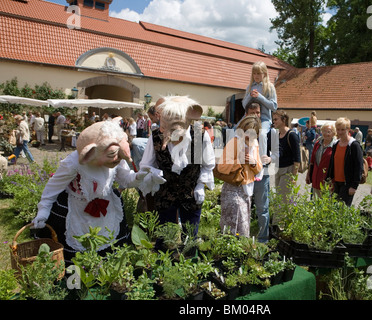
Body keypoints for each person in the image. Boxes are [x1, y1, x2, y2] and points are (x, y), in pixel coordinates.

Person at [32, 119, 148, 262]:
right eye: (112, 154)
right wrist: (43, 211)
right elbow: (53, 187)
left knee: (110, 242)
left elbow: (125, 179)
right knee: (77, 246)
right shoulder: (74, 163)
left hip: (107, 206)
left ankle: (107, 275)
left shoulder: (118, 158)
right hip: (76, 206)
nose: (117, 159)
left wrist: (139, 176)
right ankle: (76, 278)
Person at [138, 95, 215, 248]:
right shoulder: (156, 137)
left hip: (190, 194)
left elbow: (208, 164)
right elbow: (146, 164)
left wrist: (201, 185)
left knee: (190, 238)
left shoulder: (200, 136)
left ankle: (189, 266)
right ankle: (162, 267)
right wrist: (154, 173)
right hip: (166, 194)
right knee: (164, 238)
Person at [216, 115, 262, 237]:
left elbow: (258, 168)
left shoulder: (255, 144)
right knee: (232, 226)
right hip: (233, 188)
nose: (248, 136)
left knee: (243, 226)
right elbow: (221, 167)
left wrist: (253, 162)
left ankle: (239, 253)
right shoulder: (234, 142)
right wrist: (238, 161)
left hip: (246, 190)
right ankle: (228, 251)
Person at [244, 102, 277, 243]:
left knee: (262, 208)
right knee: (245, 206)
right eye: (253, 113)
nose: (256, 115)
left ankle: (263, 239)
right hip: (245, 174)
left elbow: (276, 152)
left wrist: (271, 158)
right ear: (246, 114)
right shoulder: (240, 131)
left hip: (262, 174)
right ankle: (244, 237)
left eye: (258, 113)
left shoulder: (270, 132)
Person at [241, 61, 277, 161]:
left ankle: (262, 161)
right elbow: (244, 105)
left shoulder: (270, 87)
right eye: (254, 73)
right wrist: (249, 96)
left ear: (264, 73)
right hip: (249, 118)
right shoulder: (249, 87)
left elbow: (274, 107)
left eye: (258, 73)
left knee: (261, 134)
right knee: (236, 131)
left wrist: (260, 97)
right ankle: (240, 158)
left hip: (264, 119)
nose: (256, 76)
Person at [327, 117, 364, 206]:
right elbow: (332, 163)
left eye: (343, 129)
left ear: (348, 129)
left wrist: (354, 186)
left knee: (341, 210)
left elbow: (359, 166)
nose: (340, 132)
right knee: (332, 209)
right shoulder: (336, 144)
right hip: (336, 182)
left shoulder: (354, 145)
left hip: (347, 184)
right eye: (338, 129)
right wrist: (328, 180)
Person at [272, 110, 301, 212]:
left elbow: (297, 159)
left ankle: (278, 225)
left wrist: (294, 176)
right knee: (280, 198)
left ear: (284, 120)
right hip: (278, 170)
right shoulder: (277, 134)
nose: (273, 121)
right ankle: (282, 222)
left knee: (283, 199)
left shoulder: (291, 135)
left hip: (288, 171)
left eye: (276, 119)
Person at [306, 122, 336, 197]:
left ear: (333, 133)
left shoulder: (335, 146)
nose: (326, 133)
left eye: (329, 131)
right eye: (324, 131)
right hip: (316, 178)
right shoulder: (317, 143)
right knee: (314, 202)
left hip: (327, 180)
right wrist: (308, 174)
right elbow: (312, 161)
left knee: (325, 203)